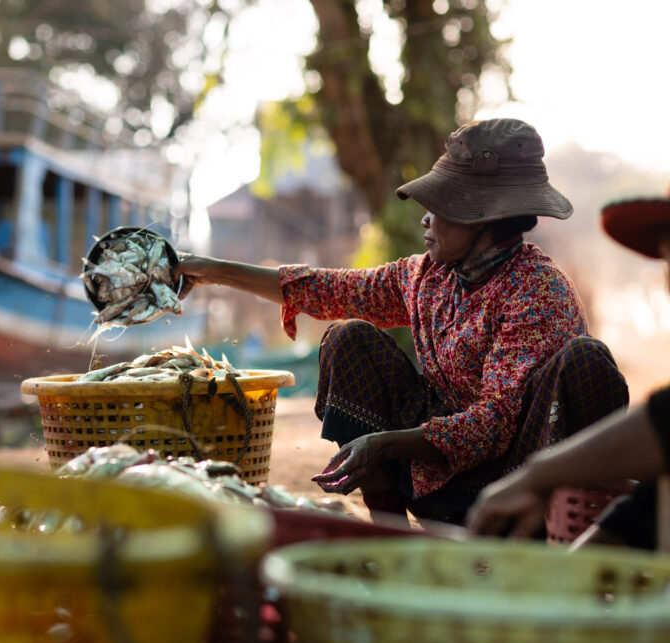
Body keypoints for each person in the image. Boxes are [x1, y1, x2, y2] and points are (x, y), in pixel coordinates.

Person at [174, 118, 628, 525]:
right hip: (438, 479)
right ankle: (391, 534)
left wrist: (386, 444)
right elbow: (328, 289)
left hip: (518, 482)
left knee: (587, 361)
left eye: (443, 208)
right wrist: (210, 270)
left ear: (484, 218)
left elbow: (492, 426)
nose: (426, 219)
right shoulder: (427, 275)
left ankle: (558, 544)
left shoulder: (537, 291)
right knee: (347, 338)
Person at [467, 190, 670, 547]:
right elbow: (644, 512)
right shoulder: (429, 282)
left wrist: (537, 476)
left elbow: (665, 424)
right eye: (667, 264)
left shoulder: (542, 286)